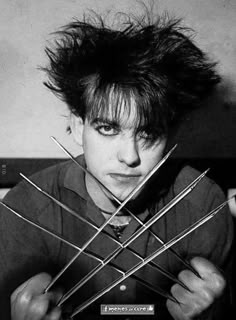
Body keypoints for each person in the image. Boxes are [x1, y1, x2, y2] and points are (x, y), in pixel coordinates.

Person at [0, 10, 234, 320]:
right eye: (108, 128)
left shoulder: (204, 204)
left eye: (149, 132)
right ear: (78, 126)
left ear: (171, 134)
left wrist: (216, 315)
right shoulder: (27, 208)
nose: (130, 156)